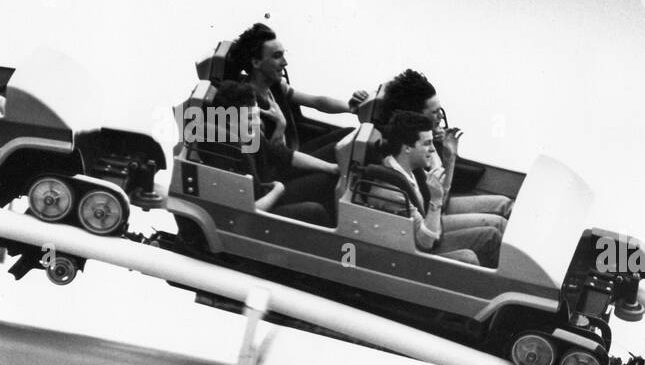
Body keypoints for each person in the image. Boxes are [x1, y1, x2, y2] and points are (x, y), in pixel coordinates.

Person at [231, 22, 369, 223]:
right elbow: (270, 156)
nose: (285, 62)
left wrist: (352, 108)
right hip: (274, 175)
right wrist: (280, 127)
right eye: (277, 56)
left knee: (349, 134)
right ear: (256, 62)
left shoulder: (274, 85)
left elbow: (316, 102)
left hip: (288, 158)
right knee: (333, 177)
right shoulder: (247, 104)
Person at [376, 69, 511, 232]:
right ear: (415, 117)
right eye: (434, 112)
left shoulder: (424, 139)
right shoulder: (414, 150)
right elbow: (441, 197)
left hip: (436, 205)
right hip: (431, 216)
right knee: (497, 225)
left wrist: (448, 154)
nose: (440, 116)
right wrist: (448, 157)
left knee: (505, 203)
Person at [379, 111, 502, 266]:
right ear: (407, 148)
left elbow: (440, 199)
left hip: (429, 229)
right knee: (480, 247)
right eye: (426, 143)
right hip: (417, 249)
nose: (432, 149)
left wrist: (450, 159)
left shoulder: (409, 169)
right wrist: (435, 200)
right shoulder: (393, 192)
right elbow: (424, 243)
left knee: (494, 232)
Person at [198, 80, 330, 225]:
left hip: (267, 192)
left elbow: (286, 156)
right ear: (229, 120)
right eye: (249, 118)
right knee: (314, 211)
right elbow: (245, 212)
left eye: (257, 115)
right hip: (255, 216)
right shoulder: (224, 153)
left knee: (326, 177)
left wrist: (332, 167)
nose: (257, 122)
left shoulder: (250, 135)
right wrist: (277, 191)